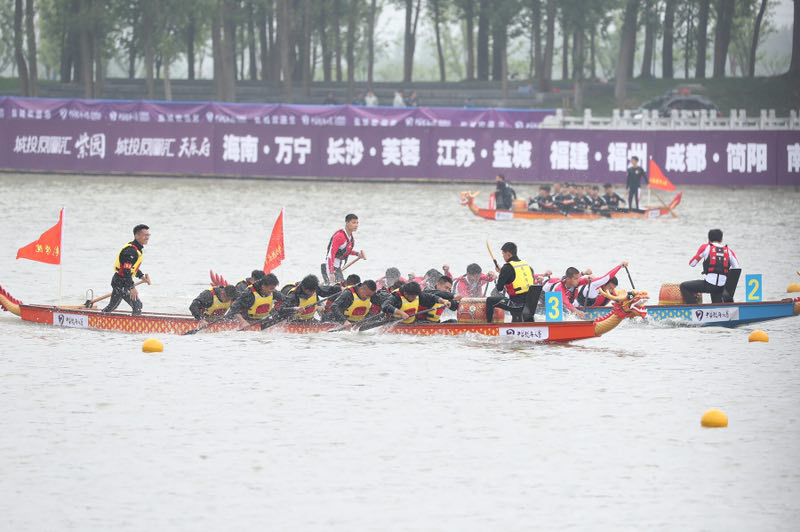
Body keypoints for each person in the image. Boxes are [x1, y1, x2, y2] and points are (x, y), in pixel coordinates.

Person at [102, 224, 152, 315]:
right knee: (137, 305)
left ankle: (100, 318)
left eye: (148, 235)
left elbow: (132, 268)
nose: (147, 237)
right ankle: (135, 327)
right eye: (145, 235)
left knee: (112, 306)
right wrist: (132, 287)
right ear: (137, 236)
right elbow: (126, 271)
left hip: (121, 281)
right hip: (120, 282)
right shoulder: (131, 251)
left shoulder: (137, 249)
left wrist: (141, 276)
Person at [680, 229, 740, 304]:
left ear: (709, 239)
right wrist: (728, 290)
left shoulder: (705, 247)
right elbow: (737, 268)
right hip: (722, 287)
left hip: (709, 285)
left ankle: (694, 308)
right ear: (721, 239)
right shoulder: (729, 251)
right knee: (717, 301)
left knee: (684, 286)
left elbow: (692, 263)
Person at [485, 242, 537, 323]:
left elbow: (499, 288)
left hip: (517, 304)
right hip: (530, 304)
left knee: (490, 301)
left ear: (508, 254)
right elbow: (518, 278)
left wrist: (501, 273)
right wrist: (502, 272)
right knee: (518, 312)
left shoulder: (507, 267)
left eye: (503, 254)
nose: (503, 257)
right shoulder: (527, 266)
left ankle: (488, 326)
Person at [322, 213, 366, 284]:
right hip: (328, 265)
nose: (356, 225)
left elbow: (346, 251)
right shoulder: (340, 236)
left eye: (357, 223)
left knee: (341, 286)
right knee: (335, 288)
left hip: (336, 266)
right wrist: (331, 272)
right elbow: (331, 254)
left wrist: (357, 254)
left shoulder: (350, 237)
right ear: (347, 223)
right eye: (353, 222)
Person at [381, 281, 450, 324]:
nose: (415, 298)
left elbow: (432, 297)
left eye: (416, 296)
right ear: (405, 294)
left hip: (411, 322)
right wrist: (401, 313)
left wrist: (443, 301)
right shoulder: (396, 296)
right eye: (413, 296)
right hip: (394, 323)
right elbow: (385, 306)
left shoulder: (416, 294)